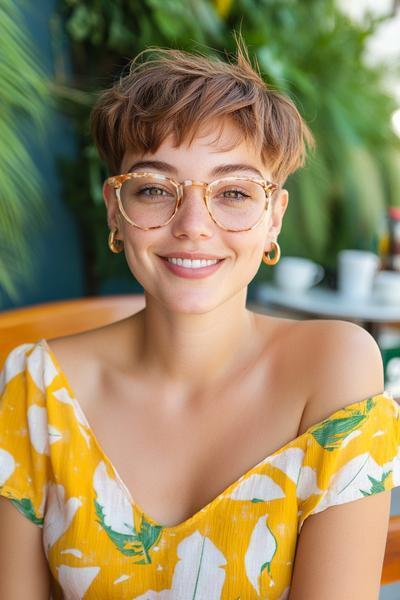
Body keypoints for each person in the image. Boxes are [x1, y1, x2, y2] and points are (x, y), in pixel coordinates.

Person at [0, 40, 399, 600]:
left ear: (272, 218)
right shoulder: (35, 387)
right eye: (155, 189)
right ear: (116, 209)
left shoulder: (334, 366)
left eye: (234, 192)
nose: (193, 225)